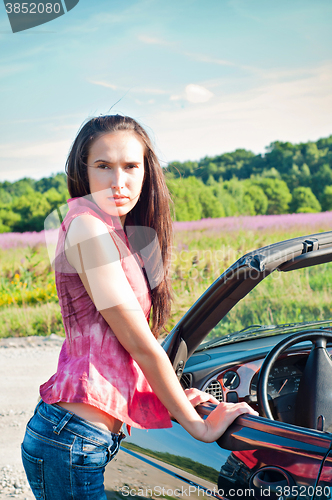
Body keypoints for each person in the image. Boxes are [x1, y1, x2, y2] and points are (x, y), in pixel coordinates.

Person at [21, 115, 258, 499]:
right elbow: (140, 344)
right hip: (72, 439)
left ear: (146, 170)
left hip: (85, 439)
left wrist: (183, 397)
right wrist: (199, 428)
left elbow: (120, 354)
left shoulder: (117, 231)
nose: (119, 182)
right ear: (84, 171)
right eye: (103, 166)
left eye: (131, 166)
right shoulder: (87, 226)